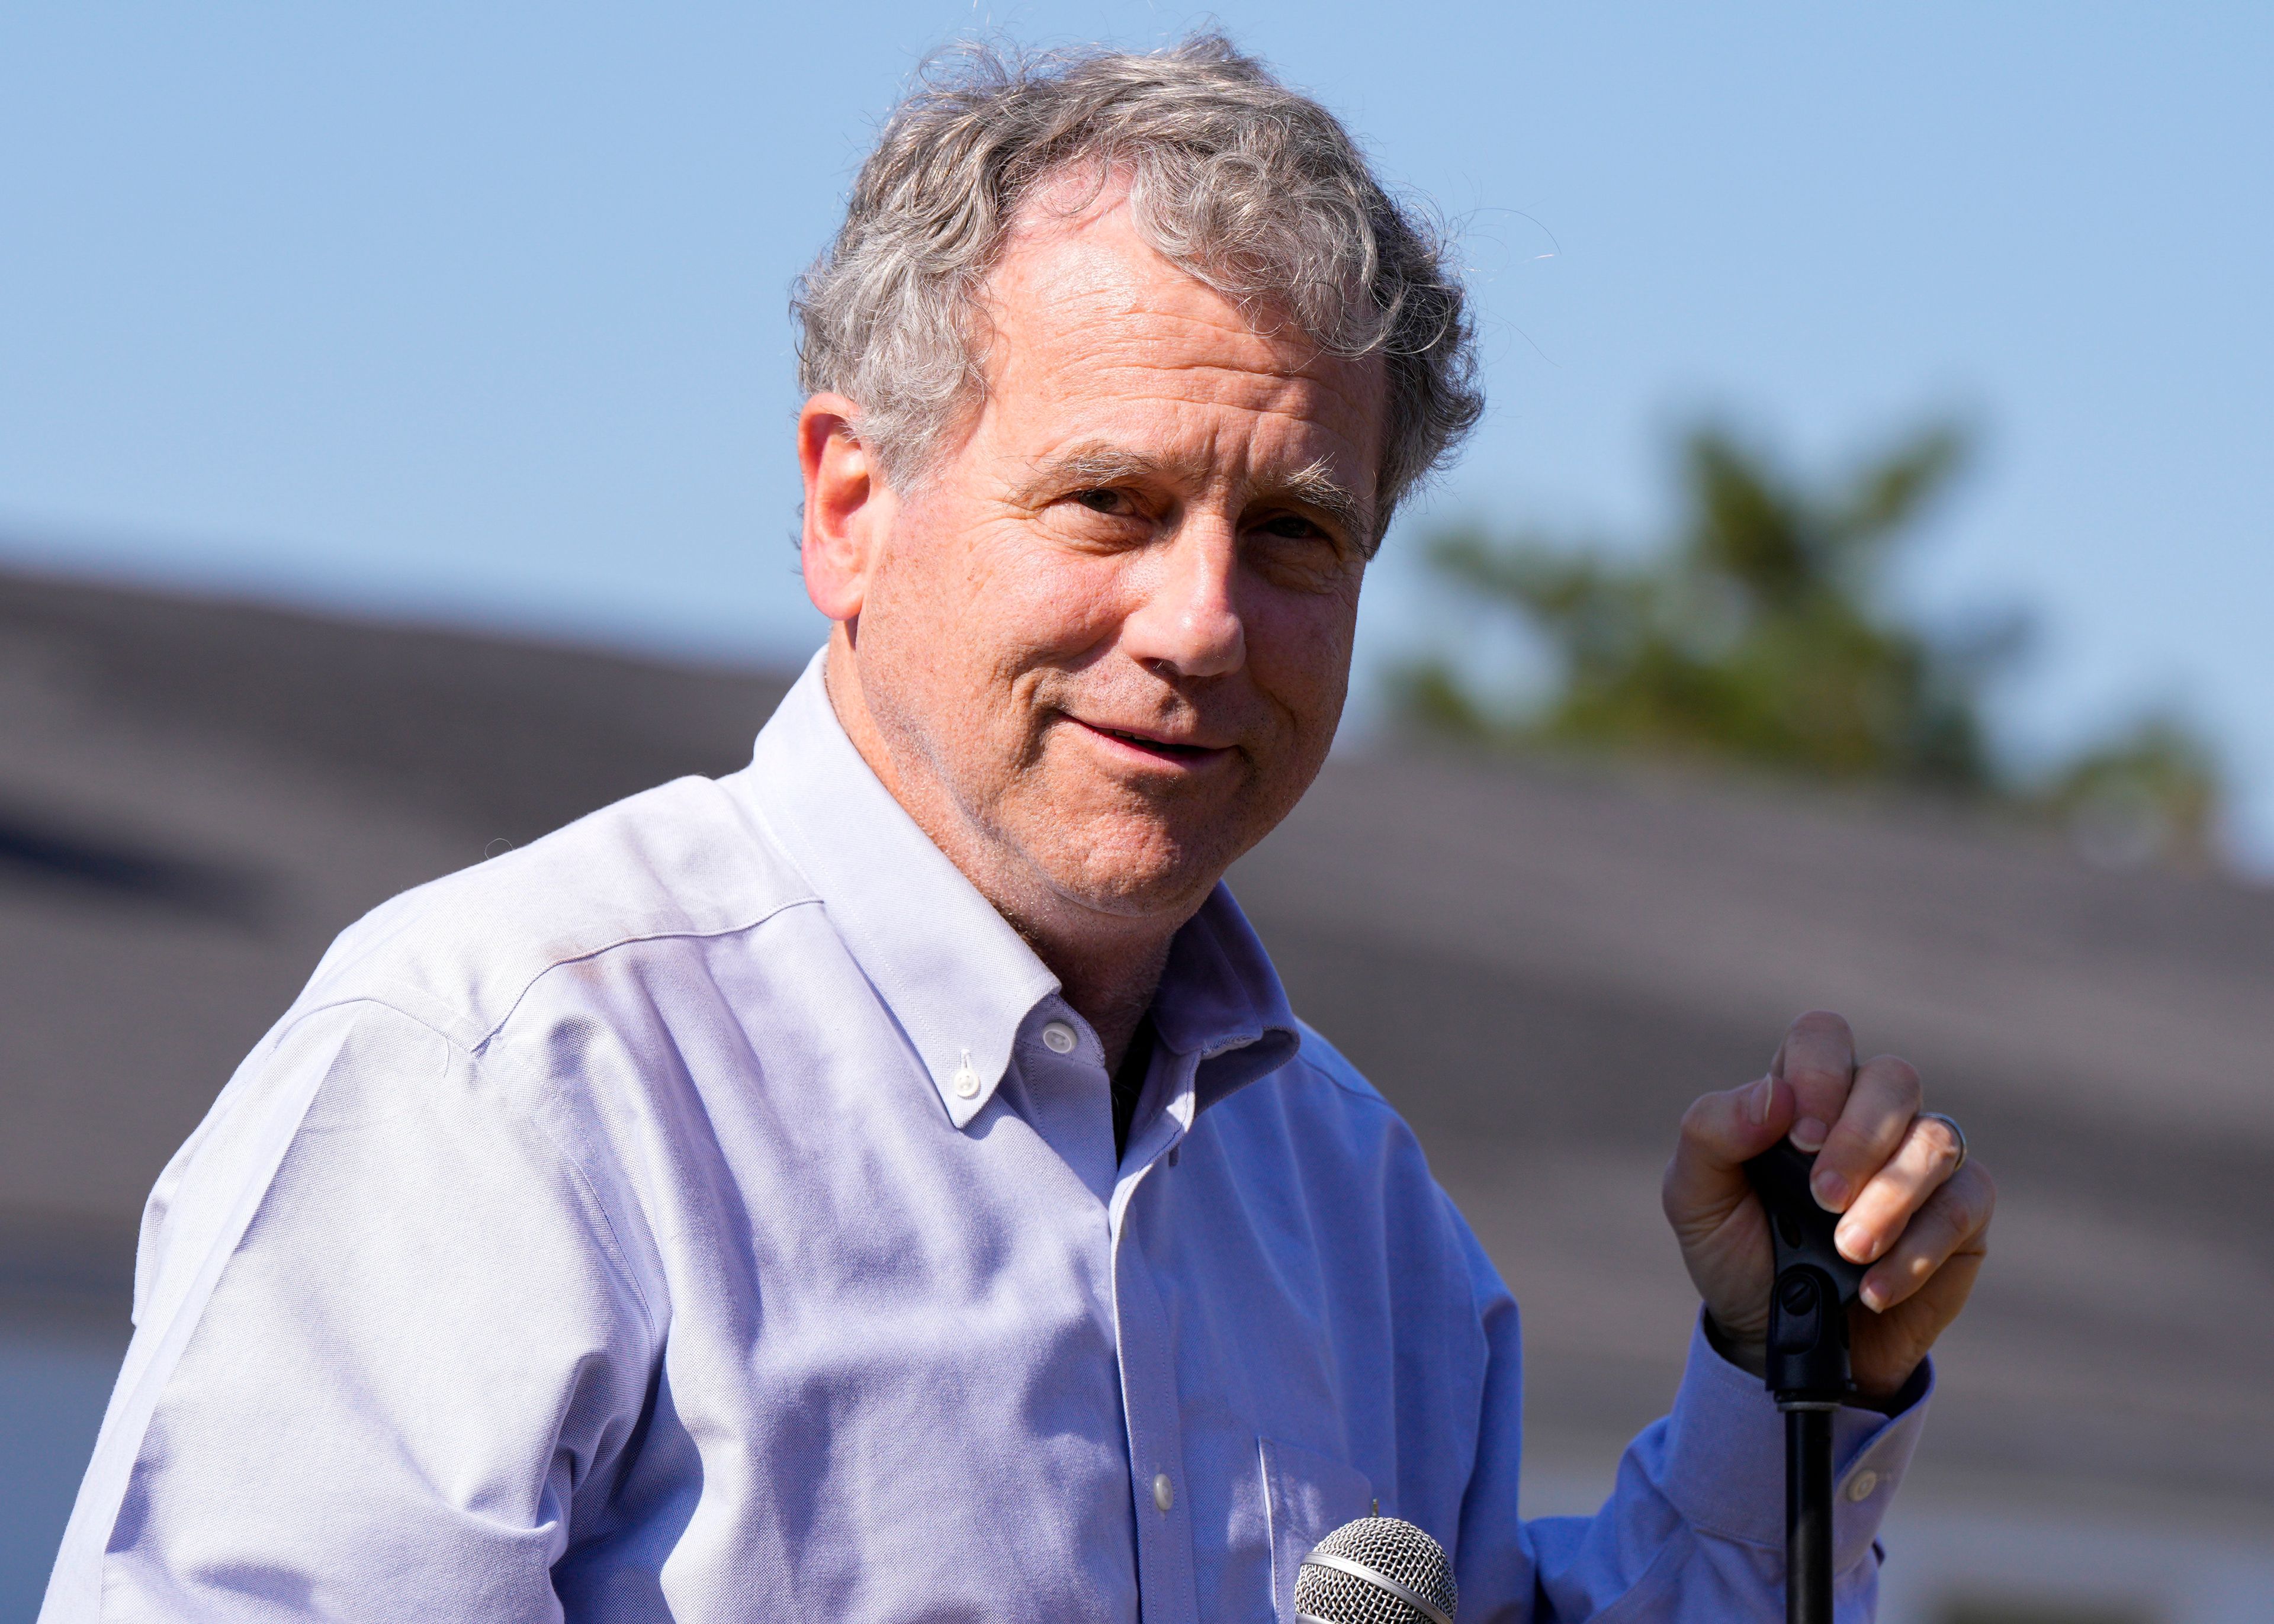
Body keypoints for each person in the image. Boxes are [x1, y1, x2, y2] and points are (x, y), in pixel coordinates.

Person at [44, 34, 1993, 1623]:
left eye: (1297, 532)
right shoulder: (506, 1077)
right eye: (1111, 504)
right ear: (847, 504)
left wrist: (1790, 1366)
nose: (1205, 622)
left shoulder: (1358, 1211)